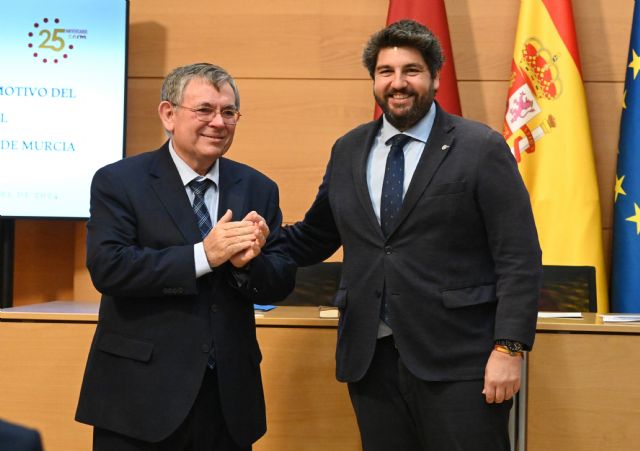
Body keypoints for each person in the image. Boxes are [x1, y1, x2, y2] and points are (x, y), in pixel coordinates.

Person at [284, 20, 542, 451]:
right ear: (374, 80)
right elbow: (316, 235)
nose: (398, 83)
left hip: (461, 363)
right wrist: (253, 242)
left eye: (411, 70)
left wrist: (509, 349)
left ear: (435, 78)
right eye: (386, 71)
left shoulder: (480, 147)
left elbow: (518, 256)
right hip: (371, 360)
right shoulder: (348, 149)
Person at [75, 63, 295, 451]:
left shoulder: (258, 187)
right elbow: (110, 268)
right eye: (205, 110)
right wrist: (203, 256)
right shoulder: (119, 181)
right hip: (140, 398)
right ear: (169, 114)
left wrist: (249, 265)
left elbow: (281, 278)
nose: (218, 122)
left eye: (229, 112)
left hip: (227, 400)